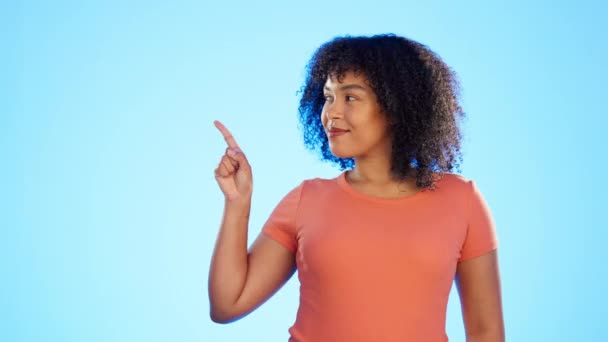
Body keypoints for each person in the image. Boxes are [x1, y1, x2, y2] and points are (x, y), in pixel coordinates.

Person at [208, 33, 505, 342]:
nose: (331, 113)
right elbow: (227, 305)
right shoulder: (307, 199)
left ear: (395, 107)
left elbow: (486, 332)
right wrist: (237, 204)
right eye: (328, 96)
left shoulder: (462, 200)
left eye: (350, 97)